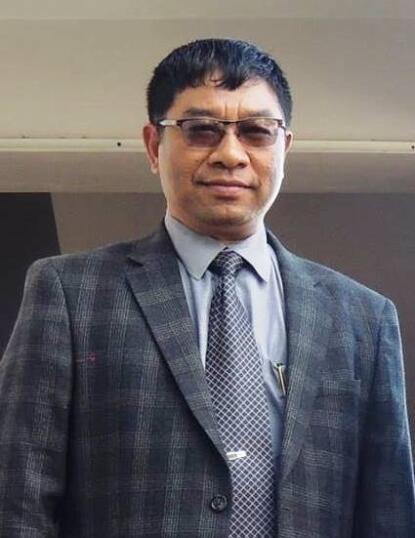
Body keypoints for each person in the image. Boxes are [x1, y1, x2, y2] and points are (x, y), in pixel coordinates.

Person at [0, 38, 414, 538]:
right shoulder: (72, 294)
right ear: (153, 146)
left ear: (283, 148)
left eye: (256, 132)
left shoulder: (362, 319)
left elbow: (389, 513)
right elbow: (17, 499)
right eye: (201, 131)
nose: (230, 155)